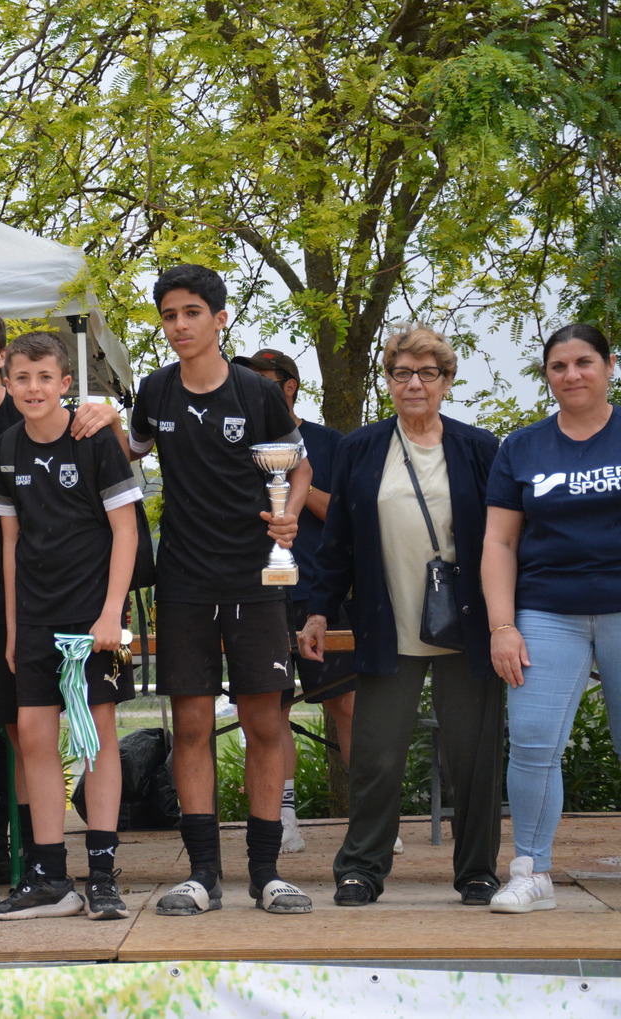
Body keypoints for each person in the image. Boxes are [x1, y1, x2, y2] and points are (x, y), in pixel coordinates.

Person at [105, 264, 312, 916]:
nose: (179, 325)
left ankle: (266, 873)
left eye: (191, 312)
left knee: (264, 723)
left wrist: (289, 515)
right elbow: (129, 449)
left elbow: (297, 467)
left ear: (219, 319)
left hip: (256, 579)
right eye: (169, 315)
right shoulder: (156, 390)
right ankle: (202, 875)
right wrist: (89, 414)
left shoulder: (257, 392)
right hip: (185, 580)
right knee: (191, 726)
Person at [300, 325, 502, 907]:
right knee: (376, 756)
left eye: (427, 373)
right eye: (402, 373)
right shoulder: (360, 448)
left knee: (474, 758)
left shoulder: (479, 448)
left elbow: (506, 539)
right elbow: (336, 543)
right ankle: (361, 869)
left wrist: (508, 621)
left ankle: (477, 871)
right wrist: (318, 612)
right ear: (387, 380)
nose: (414, 383)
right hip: (387, 627)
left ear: (446, 380)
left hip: (468, 625)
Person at [0, 331, 141, 920]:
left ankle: (102, 874)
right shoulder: (5, 447)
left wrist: (111, 613)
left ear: (65, 383)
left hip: (98, 617)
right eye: (22, 378)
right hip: (34, 617)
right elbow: (10, 542)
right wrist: (12, 627)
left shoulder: (94, 438)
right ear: (8, 382)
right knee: (33, 735)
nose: (33, 388)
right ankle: (51, 877)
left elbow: (126, 530)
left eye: (44, 378)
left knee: (98, 734)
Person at [482, 323, 621, 913]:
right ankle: (532, 873)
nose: (572, 374)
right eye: (559, 366)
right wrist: (502, 626)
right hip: (545, 612)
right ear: (547, 376)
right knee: (534, 743)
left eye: (584, 362)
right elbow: (499, 542)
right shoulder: (522, 447)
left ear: (609, 366)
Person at [234, 349, 357, 853]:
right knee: (270, 711)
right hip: (255, 593)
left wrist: (291, 486)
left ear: (287, 386)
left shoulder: (330, 443)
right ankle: (282, 817)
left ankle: (370, 815)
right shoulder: (236, 441)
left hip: (321, 593)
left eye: (259, 380)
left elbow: (350, 518)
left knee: (347, 704)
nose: (248, 389)